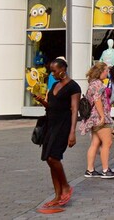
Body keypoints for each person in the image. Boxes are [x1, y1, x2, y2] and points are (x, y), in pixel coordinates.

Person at [34, 57, 80, 210]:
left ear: (63, 69)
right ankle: (57, 195)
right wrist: (42, 101)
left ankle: (66, 186)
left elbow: (74, 110)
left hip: (63, 126)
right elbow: (51, 107)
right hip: (50, 125)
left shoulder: (73, 87)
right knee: (48, 159)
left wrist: (72, 132)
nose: (52, 73)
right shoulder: (54, 85)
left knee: (54, 157)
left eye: (54, 71)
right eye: (51, 71)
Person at [79, 61, 114, 179]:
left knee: (95, 143)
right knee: (107, 143)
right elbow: (97, 101)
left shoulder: (92, 83)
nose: (107, 73)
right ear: (101, 72)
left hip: (92, 117)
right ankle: (106, 170)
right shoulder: (98, 84)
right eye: (106, 71)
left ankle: (90, 169)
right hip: (99, 117)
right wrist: (102, 116)